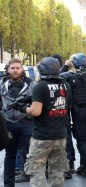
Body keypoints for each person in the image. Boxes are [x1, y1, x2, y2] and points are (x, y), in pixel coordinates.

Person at [23, 57, 72, 187]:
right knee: (57, 171)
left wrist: (25, 108)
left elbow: (36, 111)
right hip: (60, 135)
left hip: (42, 136)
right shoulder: (66, 86)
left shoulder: (40, 87)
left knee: (37, 169)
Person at [0, 58, 36, 186]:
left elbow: (37, 102)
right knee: (10, 155)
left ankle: (35, 182)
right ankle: (8, 184)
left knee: (31, 155)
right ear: (8, 69)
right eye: (12, 68)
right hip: (8, 124)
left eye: (17, 68)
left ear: (21, 69)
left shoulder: (31, 83)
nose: (15, 70)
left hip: (26, 123)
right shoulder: (1, 83)